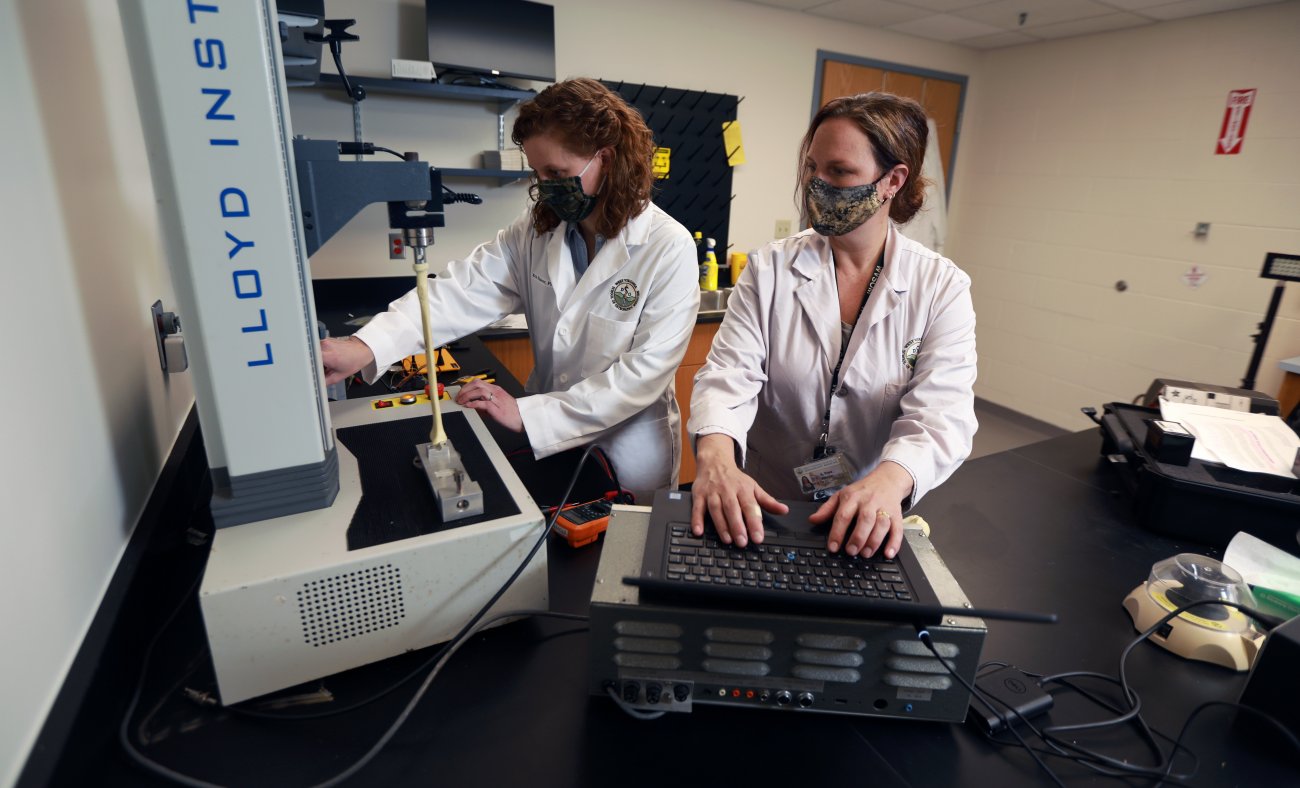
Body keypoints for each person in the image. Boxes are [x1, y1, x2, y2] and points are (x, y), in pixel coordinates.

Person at [321, 78, 700, 499]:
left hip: (628, 454)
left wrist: (530, 414)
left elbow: (640, 378)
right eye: (539, 173)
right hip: (547, 445)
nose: (546, 186)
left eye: (557, 173)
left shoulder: (668, 247)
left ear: (606, 160)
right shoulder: (536, 232)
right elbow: (460, 290)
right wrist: (367, 346)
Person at [687, 92, 977, 561]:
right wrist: (716, 458)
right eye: (811, 169)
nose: (816, 184)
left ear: (893, 181)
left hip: (864, 514)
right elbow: (727, 377)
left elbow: (941, 415)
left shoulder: (940, 288)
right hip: (764, 505)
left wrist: (890, 480)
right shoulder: (771, 269)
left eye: (839, 172)